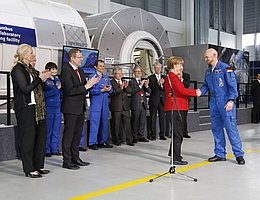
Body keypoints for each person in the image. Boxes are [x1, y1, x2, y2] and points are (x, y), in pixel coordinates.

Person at [199, 48, 245, 165]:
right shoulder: (208, 72)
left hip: (225, 103)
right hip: (214, 103)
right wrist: (200, 92)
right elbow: (205, 86)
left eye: (207, 57)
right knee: (216, 129)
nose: (205, 59)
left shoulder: (225, 68)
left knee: (231, 128)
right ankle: (220, 153)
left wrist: (231, 100)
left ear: (214, 55)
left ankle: (239, 154)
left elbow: (232, 85)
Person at [11, 43, 51, 178]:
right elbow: (25, 89)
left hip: (37, 108)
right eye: (31, 53)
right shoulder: (18, 70)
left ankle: (38, 165)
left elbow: (37, 85)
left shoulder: (30, 69)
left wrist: (42, 77)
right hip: (26, 107)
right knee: (27, 139)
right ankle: (29, 168)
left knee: (40, 137)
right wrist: (40, 79)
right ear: (24, 55)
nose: (34, 55)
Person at [60, 48, 100, 170]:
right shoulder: (66, 71)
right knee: (69, 135)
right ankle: (67, 160)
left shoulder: (80, 71)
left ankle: (75, 157)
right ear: (72, 58)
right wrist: (87, 86)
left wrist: (90, 85)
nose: (82, 59)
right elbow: (70, 90)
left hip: (80, 107)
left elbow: (83, 88)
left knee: (77, 134)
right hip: (71, 107)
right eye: (79, 57)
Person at [164, 56, 200, 165]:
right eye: (179, 65)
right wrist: (195, 93)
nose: (181, 67)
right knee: (178, 133)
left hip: (179, 106)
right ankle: (176, 158)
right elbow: (181, 90)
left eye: (181, 65)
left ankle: (173, 153)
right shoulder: (172, 77)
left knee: (178, 132)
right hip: (175, 107)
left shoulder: (175, 76)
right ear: (173, 65)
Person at [88, 59, 113, 150]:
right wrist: (101, 90)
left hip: (105, 102)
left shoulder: (106, 77)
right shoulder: (92, 77)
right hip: (96, 102)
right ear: (95, 67)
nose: (102, 68)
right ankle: (92, 142)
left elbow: (111, 90)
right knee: (94, 122)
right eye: (100, 66)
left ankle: (103, 141)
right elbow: (90, 90)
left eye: (103, 66)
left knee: (104, 122)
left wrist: (108, 89)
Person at [110, 67, 134, 146]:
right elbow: (112, 93)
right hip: (116, 107)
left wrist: (126, 87)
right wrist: (120, 88)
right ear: (114, 74)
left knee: (127, 124)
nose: (120, 75)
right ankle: (117, 140)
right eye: (118, 73)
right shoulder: (111, 82)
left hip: (125, 107)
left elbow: (130, 91)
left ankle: (129, 139)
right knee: (116, 124)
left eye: (121, 73)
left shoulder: (124, 82)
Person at [43, 62, 62, 157]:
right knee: (48, 129)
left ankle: (55, 148)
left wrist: (60, 89)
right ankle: (47, 149)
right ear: (48, 70)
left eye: (55, 69)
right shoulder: (45, 81)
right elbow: (44, 94)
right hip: (49, 106)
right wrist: (56, 88)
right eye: (52, 69)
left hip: (58, 107)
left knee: (56, 129)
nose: (54, 71)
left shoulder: (58, 80)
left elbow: (61, 92)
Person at [129, 66, 151, 143]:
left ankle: (141, 135)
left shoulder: (143, 81)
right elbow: (132, 92)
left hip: (143, 103)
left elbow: (149, 91)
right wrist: (140, 86)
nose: (139, 73)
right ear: (134, 73)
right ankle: (134, 136)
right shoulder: (132, 82)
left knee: (142, 121)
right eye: (137, 71)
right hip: (136, 104)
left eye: (140, 72)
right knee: (135, 121)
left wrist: (146, 85)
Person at [148, 62, 166, 140]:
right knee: (153, 118)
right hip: (154, 100)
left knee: (162, 118)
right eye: (157, 68)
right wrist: (158, 84)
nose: (159, 69)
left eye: (160, 68)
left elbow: (166, 89)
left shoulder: (164, 77)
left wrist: (162, 86)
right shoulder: (150, 78)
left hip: (162, 100)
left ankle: (162, 134)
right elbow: (151, 89)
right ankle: (153, 135)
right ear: (154, 69)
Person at [180, 70, 192, 138]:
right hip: (177, 98)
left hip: (185, 98)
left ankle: (185, 131)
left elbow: (187, 85)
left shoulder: (186, 76)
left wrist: (181, 79)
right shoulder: (173, 76)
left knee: (184, 116)